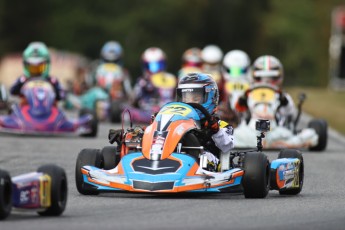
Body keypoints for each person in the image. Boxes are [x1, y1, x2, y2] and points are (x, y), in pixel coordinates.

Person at [175, 73, 235, 171]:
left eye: (195, 99)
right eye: (186, 99)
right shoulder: (178, 122)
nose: (190, 103)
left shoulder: (220, 125)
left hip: (206, 162)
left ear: (211, 97)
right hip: (176, 157)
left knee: (205, 157)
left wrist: (216, 131)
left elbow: (227, 146)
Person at [236, 55, 297, 129]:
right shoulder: (248, 94)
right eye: (261, 77)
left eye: (271, 78)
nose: (266, 82)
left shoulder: (283, 96)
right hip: (250, 130)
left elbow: (291, 113)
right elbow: (238, 111)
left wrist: (284, 102)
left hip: (277, 131)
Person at [132, 47, 176, 111]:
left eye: (158, 65)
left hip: (170, 110)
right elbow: (134, 100)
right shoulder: (143, 81)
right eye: (151, 66)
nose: (154, 70)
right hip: (148, 111)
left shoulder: (172, 79)